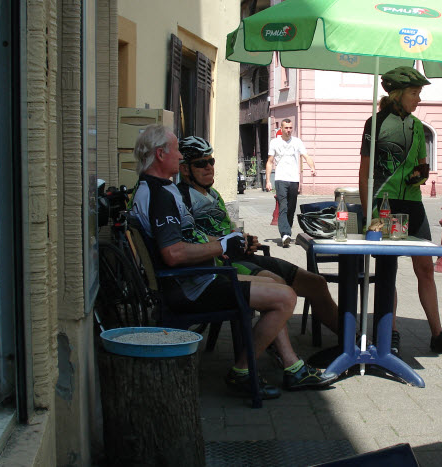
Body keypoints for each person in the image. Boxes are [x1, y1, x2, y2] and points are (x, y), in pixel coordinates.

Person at [129, 125, 334, 400]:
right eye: (176, 150)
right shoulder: (159, 196)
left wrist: (225, 241)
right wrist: (222, 245)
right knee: (285, 297)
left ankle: (291, 366)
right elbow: (173, 254)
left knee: (279, 289)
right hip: (193, 286)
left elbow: (185, 239)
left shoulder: (155, 188)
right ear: (159, 154)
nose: (180, 157)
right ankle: (242, 372)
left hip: (201, 276)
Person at [176, 136, 339, 335]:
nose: (209, 167)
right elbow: (190, 240)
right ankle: (270, 348)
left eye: (211, 161)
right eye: (201, 163)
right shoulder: (180, 199)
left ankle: (349, 342)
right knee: (278, 289)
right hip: (222, 264)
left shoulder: (214, 194)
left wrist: (246, 239)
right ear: (185, 169)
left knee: (317, 283)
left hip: (244, 256)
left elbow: (228, 230)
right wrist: (229, 242)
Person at [358, 66, 442, 358]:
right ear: (398, 93)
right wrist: (369, 217)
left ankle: (437, 333)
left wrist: (420, 174)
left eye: (419, 93)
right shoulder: (374, 123)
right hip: (385, 205)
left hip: (413, 204)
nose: (419, 99)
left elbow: (421, 164)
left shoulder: (417, 126)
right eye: (415, 93)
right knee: (388, 269)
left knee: (425, 268)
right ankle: (390, 331)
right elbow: (364, 173)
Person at [265, 118, 316, 247]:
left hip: (294, 179)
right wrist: (267, 181)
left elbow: (306, 156)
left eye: (290, 128)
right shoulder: (275, 142)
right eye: (286, 128)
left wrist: (312, 167)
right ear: (281, 129)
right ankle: (285, 234)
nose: (288, 130)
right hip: (280, 178)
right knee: (283, 206)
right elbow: (270, 162)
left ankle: (287, 232)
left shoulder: (297, 142)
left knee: (291, 207)